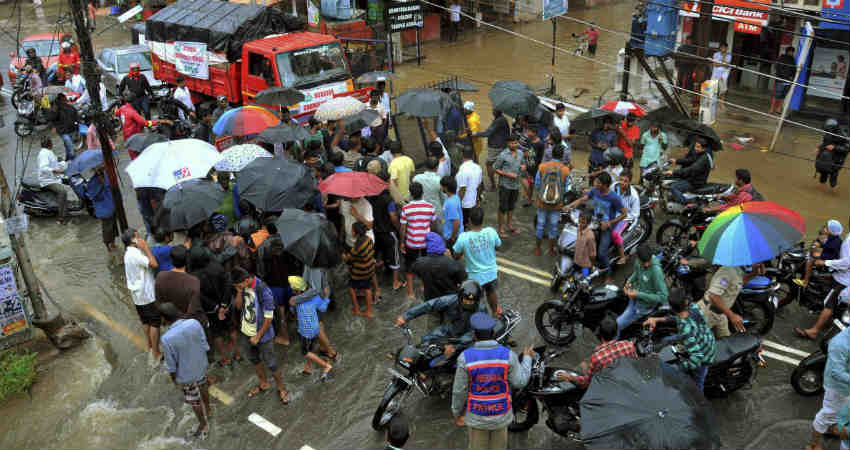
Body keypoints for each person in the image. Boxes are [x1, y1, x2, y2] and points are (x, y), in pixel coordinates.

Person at [451, 312, 533, 450]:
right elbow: (520, 382)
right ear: (494, 333)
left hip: (477, 418)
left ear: (474, 335)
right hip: (501, 417)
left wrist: (456, 413)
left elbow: (459, 391)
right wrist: (527, 358)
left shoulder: (465, 358)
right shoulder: (508, 355)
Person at [226, 267, 290, 404]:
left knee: (271, 363)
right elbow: (238, 307)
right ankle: (263, 383)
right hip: (246, 332)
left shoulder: (262, 290)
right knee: (254, 359)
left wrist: (258, 336)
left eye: (239, 285)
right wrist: (238, 291)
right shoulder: (241, 288)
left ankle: (281, 388)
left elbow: (269, 318)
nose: (238, 287)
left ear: (246, 280)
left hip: (263, 335)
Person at [644, 288, 716, 392]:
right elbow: (679, 319)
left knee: (697, 385)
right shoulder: (693, 307)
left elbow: (697, 359)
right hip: (705, 337)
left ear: (672, 308)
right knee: (666, 340)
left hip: (704, 355)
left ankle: (699, 404)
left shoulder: (685, 329)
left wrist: (679, 367)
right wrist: (657, 319)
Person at [158, 302, 210, 441]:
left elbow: (171, 365)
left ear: (165, 318)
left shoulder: (166, 339)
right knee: (203, 386)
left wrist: (175, 380)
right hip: (201, 365)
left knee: (194, 401)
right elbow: (204, 344)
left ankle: (203, 425)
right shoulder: (194, 323)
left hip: (186, 375)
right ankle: (209, 410)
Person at [394, 280, 489, 355]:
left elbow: (474, 333)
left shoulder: (481, 310)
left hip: (467, 338)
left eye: (471, 301)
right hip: (449, 330)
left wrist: (455, 346)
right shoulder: (451, 300)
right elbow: (429, 305)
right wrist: (406, 316)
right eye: (465, 300)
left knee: (466, 358)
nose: (468, 303)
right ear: (460, 297)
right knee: (425, 341)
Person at [796, 217, 850, 340]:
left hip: (843, 278)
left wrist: (826, 263)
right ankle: (830, 323)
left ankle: (814, 331)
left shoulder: (848, 240)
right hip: (840, 274)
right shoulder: (846, 237)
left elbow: (847, 262)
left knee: (829, 303)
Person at [564, 172, 627, 276]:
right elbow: (582, 199)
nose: (595, 183)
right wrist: (570, 206)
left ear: (605, 185)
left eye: (598, 182)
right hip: (594, 222)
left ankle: (609, 275)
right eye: (596, 181)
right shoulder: (595, 190)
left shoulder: (614, 198)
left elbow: (624, 214)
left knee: (602, 254)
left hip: (607, 227)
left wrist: (609, 223)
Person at [557, 316, 637, 387]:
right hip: (629, 380)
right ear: (616, 333)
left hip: (610, 386)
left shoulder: (597, 358)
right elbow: (635, 364)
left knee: (583, 365)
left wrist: (569, 377)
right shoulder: (629, 345)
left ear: (600, 334)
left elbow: (585, 383)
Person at [807, 324, 850, 450]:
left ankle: (831, 428)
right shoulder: (840, 344)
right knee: (826, 416)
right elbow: (836, 373)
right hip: (838, 388)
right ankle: (813, 445)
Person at [453, 208, 502, 315]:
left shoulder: (463, 237)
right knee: (491, 291)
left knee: (476, 300)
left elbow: (455, 256)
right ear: (482, 220)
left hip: (475, 278)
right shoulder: (491, 231)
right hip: (491, 273)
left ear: (469, 220)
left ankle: (480, 321)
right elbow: (498, 246)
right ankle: (495, 312)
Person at [122, 228, 162, 361]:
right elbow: (154, 264)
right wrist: (146, 248)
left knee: (146, 321)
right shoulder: (136, 254)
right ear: (133, 240)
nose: (141, 240)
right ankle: (156, 353)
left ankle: (150, 346)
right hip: (147, 294)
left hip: (137, 296)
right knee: (155, 322)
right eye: (138, 237)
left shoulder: (127, 253)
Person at [616, 244, 668, 338]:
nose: (646, 264)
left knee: (617, 325)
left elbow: (663, 297)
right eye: (643, 262)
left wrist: (638, 294)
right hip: (634, 296)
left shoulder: (656, 272)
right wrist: (629, 281)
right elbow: (636, 273)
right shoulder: (639, 262)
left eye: (648, 262)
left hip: (642, 306)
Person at [256, 220, 295, 345]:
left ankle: (285, 338)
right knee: (295, 306)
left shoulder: (262, 247)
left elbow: (261, 270)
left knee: (280, 313)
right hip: (290, 281)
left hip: (274, 286)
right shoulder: (287, 241)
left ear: (266, 230)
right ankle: (304, 332)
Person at [288, 276, 334, 378]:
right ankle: (309, 367)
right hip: (316, 328)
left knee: (305, 352)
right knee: (311, 347)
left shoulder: (294, 301)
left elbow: (292, 310)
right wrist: (326, 298)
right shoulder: (315, 298)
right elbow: (322, 309)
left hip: (305, 331)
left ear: (296, 291)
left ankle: (326, 365)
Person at [700, 264, 763, 338]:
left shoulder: (738, 269)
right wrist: (732, 315)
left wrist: (754, 274)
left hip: (721, 314)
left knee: (726, 340)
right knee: (695, 342)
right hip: (708, 313)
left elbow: (740, 282)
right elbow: (713, 296)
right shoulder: (727, 272)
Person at [400, 182, 436, 299]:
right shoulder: (430, 207)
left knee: (410, 266)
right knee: (425, 264)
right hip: (426, 242)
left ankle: (410, 292)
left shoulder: (405, 208)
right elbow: (433, 224)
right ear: (423, 193)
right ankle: (423, 286)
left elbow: (403, 228)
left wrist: (402, 242)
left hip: (411, 242)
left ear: (410, 194)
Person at [533, 144, 570, 256]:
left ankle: (538, 249)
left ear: (552, 154)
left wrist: (541, 196)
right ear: (562, 156)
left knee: (540, 225)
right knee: (553, 226)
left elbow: (537, 184)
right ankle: (551, 250)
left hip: (542, 202)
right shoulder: (565, 170)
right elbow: (567, 187)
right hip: (557, 204)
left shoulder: (542, 166)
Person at [155, 245, 205, 324]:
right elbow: (192, 311)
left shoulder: (160, 276)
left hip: (170, 320)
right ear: (187, 261)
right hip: (185, 323)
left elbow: (159, 302)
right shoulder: (194, 281)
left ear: (171, 260)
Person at [411, 232, 467, 301]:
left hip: (431, 301)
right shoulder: (452, 263)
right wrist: (450, 258)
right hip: (450, 300)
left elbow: (415, 270)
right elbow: (463, 280)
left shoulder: (419, 263)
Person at [493, 134, 525, 239]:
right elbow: (495, 168)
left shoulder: (520, 153)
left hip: (516, 185)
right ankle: (500, 228)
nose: (514, 145)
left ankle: (509, 225)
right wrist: (507, 174)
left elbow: (523, 164)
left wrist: (523, 167)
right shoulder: (503, 155)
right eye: (512, 143)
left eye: (516, 142)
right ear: (508, 143)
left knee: (511, 206)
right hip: (505, 185)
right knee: (503, 207)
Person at [796, 220, 844, 288]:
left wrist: (820, 255)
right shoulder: (831, 238)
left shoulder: (836, 242)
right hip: (826, 257)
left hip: (829, 262)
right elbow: (826, 246)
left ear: (831, 231)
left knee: (809, 262)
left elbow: (834, 255)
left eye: (826, 228)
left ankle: (805, 281)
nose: (824, 229)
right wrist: (819, 245)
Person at [664, 138, 712, 205]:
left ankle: (686, 204)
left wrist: (674, 172)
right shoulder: (699, 154)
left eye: (698, 147)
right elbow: (690, 160)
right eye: (695, 146)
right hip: (693, 177)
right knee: (675, 179)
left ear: (703, 149)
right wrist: (676, 161)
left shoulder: (703, 159)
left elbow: (691, 169)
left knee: (673, 187)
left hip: (695, 182)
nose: (695, 148)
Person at [343, 221, 376, 317]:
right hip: (369, 269)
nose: (351, 232)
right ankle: (369, 310)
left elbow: (348, 259)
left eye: (352, 230)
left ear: (356, 233)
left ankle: (357, 309)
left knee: (352, 288)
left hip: (359, 273)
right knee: (367, 288)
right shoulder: (368, 239)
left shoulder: (357, 247)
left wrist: (343, 256)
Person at [473, 110, 510, 192]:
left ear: (497, 112)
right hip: (501, 145)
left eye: (494, 110)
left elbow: (488, 133)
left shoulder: (499, 120)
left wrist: (474, 134)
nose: (492, 111)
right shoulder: (501, 119)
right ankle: (500, 183)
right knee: (500, 164)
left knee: (489, 164)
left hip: (496, 146)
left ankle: (493, 185)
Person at [117, 93, 163, 159]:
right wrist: (157, 122)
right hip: (134, 137)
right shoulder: (132, 113)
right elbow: (145, 123)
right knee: (137, 157)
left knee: (133, 156)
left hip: (126, 137)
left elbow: (116, 113)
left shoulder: (122, 108)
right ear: (134, 102)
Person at [85, 168, 117, 252]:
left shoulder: (107, 175)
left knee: (113, 228)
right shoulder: (93, 182)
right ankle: (108, 248)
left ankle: (113, 244)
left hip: (111, 206)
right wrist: (101, 184)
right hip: (104, 209)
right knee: (107, 229)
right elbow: (92, 195)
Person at [37, 136, 68, 224]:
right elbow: (43, 168)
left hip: (55, 177)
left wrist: (61, 162)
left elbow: (54, 162)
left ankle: (65, 207)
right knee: (62, 192)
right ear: (50, 144)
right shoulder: (44, 154)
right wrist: (55, 170)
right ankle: (61, 218)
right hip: (47, 181)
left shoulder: (48, 152)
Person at [611, 171, 640, 264]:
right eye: (621, 180)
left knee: (615, 234)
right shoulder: (614, 187)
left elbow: (635, 214)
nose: (622, 183)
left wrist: (621, 217)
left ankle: (622, 256)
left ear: (630, 182)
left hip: (625, 217)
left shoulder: (634, 196)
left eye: (625, 181)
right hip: (612, 213)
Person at [815, 119, 849, 189]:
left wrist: (834, 147)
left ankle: (833, 189)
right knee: (823, 172)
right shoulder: (828, 134)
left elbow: (847, 149)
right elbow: (824, 143)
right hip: (826, 157)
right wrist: (819, 148)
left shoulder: (844, 136)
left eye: (828, 129)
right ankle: (821, 187)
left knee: (833, 176)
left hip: (837, 159)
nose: (827, 131)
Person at [46, 94, 79, 161]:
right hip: (63, 131)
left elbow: (76, 116)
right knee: (69, 145)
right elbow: (50, 118)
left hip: (71, 129)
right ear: (60, 100)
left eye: (65, 99)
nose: (64, 100)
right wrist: (54, 109)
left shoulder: (70, 107)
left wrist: (76, 126)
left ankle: (67, 158)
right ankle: (74, 160)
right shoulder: (56, 109)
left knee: (68, 145)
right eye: (63, 99)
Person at [455, 147, 483, 227]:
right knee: (472, 224)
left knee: (463, 225)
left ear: (462, 155)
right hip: (473, 202)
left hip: (464, 204)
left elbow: (462, 189)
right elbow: (479, 186)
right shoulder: (478, 168)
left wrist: (457, 203)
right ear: (473, 155)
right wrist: (477, 198)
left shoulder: (462, 170)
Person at [413, 158, 444, 224]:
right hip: (436, 211)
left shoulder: (416, 178)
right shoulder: (439, 181)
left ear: (425, 166)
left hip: (420, 211)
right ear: (437, 167)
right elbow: (443, 198)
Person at [770, 46, 796, 115]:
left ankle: (778, 109)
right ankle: (772, 109)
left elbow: (794, 70)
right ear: (788, 51)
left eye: (793, 52)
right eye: (792, 52)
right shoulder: (782, 58)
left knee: (782, 95)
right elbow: (778, 68)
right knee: (777, 95)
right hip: (781, 80)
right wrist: (787, 76)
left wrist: (791, 77)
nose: (792, 53)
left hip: (786, 80)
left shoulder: (792, 59)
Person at [441, 176, 464, 246]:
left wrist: (452, 238)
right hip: (451, 233)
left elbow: (456, 222)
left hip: (452, 236)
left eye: (441, 186)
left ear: (445, 187)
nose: (440, 188)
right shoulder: (454, 197)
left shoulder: (451, 203)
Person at [573, 209, 596, 276]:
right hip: (576, 261)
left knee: (584, 279)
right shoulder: (579, 229)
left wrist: (592, 265)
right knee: (574, 277)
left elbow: (593, 254)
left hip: (585, 265)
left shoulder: (590, 236)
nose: (580, 224)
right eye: (579, 221)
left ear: (588, 223)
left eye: (583, 223)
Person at [712, 43, 732, 109]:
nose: (723, 49)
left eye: (725, 47)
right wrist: (723, 63)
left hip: (724, 74)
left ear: (727, 48)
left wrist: (723, 58)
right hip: (715, 73)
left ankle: (721, 103)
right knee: (714, 88)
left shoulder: (729, 56)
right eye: (722, 47)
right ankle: (712, 102)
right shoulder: (716, 54)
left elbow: (727, 66)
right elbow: (715, 64)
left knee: (723, 89)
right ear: (720, 48)